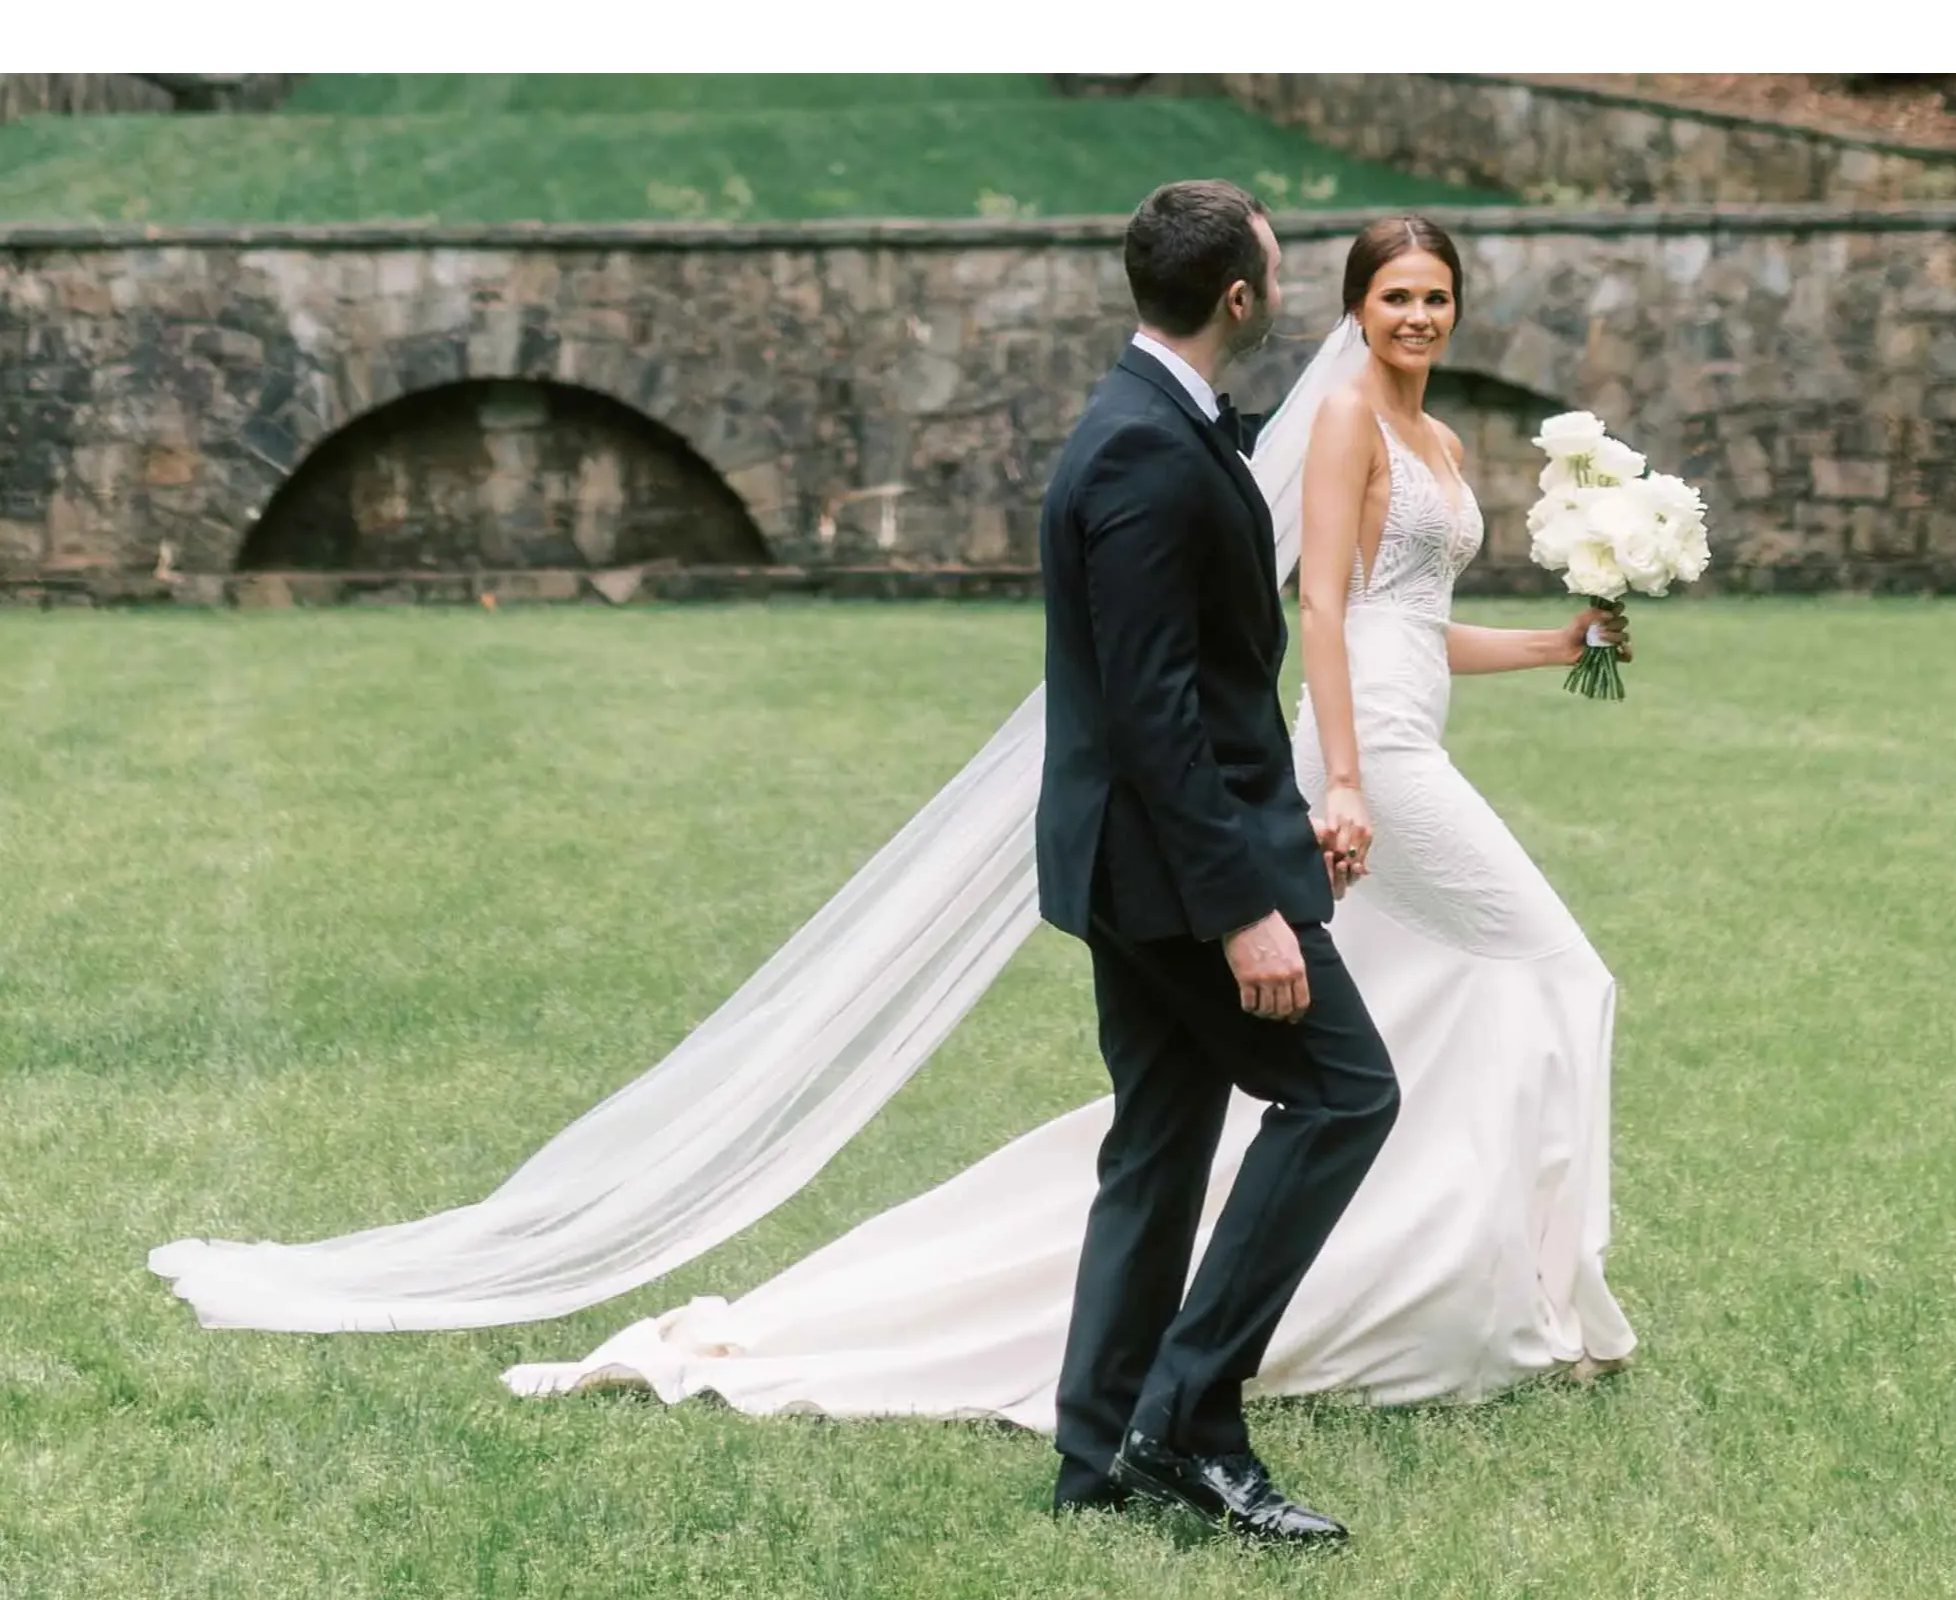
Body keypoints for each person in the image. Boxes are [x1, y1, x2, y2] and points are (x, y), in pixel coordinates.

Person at [497, 207, 1638, 1528]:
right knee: (1345, 1096)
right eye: (1272, 265)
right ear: (1239, 295)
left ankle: (1096, 1459)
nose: (1285, 284)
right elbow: (1158, 715)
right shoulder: (1148, 453)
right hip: (1176, 881)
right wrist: (1244, 914)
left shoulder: (1146, 421)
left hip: (1132, 872)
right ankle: (1191, 1419)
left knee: (1158, 1150)